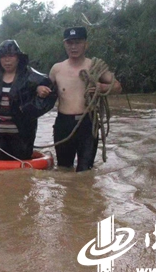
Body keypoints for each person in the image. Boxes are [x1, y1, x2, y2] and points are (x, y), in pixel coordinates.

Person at [0, 40, 56, 160]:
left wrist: (39, 90)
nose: (7, 60)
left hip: (21, 136)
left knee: (20, 171)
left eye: (11, 56)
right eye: (3, 57)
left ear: (18, 58)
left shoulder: (30, 76)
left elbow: (50, 90)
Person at [48, 27, 122, 172]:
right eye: (70, 43)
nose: (73, 47)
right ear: (65, 45)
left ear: (85, 44)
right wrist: (40, 90)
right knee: (63, 169)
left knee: (85, 171)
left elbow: (118, 87)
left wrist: (101, 87)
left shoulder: (95, 66)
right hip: (64, 124)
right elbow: (45, 91)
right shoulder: (57, 69)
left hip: (88, 123)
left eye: (77, 42)